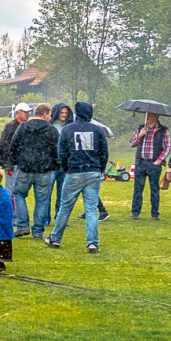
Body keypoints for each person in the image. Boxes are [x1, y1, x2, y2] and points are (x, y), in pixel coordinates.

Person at [45, 102, 108, 254]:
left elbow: (62, 153)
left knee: (65, 207)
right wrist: (100, 168)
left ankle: (55, 239)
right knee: (91, 209)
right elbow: (104, 152)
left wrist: (67, 168)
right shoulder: (97, 130)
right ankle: (92, 243)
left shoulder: (67, 130)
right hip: (93, 172)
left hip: (73, 171)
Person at [8, 103, 58, 238]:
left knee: (19, 194)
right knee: (42, 200)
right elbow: (56, 150)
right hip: (44, 170)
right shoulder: (51, 130)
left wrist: (17, 161)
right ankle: (38, 230)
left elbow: (13, 146)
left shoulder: (23, 127)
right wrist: (54, 165)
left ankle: (23, 225)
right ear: (45, 114)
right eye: (50, 115)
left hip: (25, 168)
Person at [129, 112, 170, 220]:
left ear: (156, 117)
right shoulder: (140, 128)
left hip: (153, 164)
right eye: (146, 115)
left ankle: (155, 214)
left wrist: (159, 161)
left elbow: (167, 147)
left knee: (154, 189)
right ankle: (135, 213)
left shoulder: (163, 130)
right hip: (140, 163)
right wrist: (140, 135)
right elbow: (132, 143)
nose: (146, 118)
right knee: (138, 189)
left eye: (149, 116)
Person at [0, 102, 32, 179]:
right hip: (12, 164)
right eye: (25, 112)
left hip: (25, 164)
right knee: (11, 188)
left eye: (28, 112)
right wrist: (8, 160)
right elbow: (3, 144)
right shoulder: (10, 126)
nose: (27, 114)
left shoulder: (29, 127)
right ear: (17, 112)